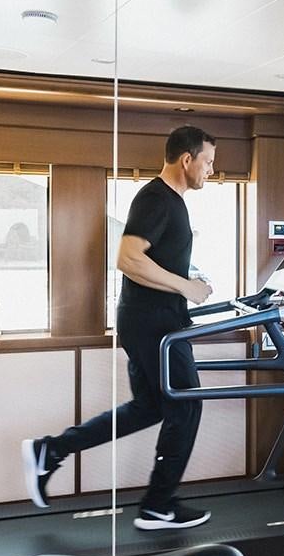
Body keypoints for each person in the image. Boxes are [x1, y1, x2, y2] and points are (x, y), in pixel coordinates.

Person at [21, 126, 217, 530]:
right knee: (187, 403)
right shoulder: (157, 198)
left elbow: (153, 260)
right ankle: (158, 505)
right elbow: (128, 259)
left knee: (149, 407)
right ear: (187, 159)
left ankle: (51, 450)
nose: (211, 171)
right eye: (209, 162)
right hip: (156, 325)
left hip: (147, 321)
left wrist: (189, 278)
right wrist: (187, 288)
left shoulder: (169, 202)